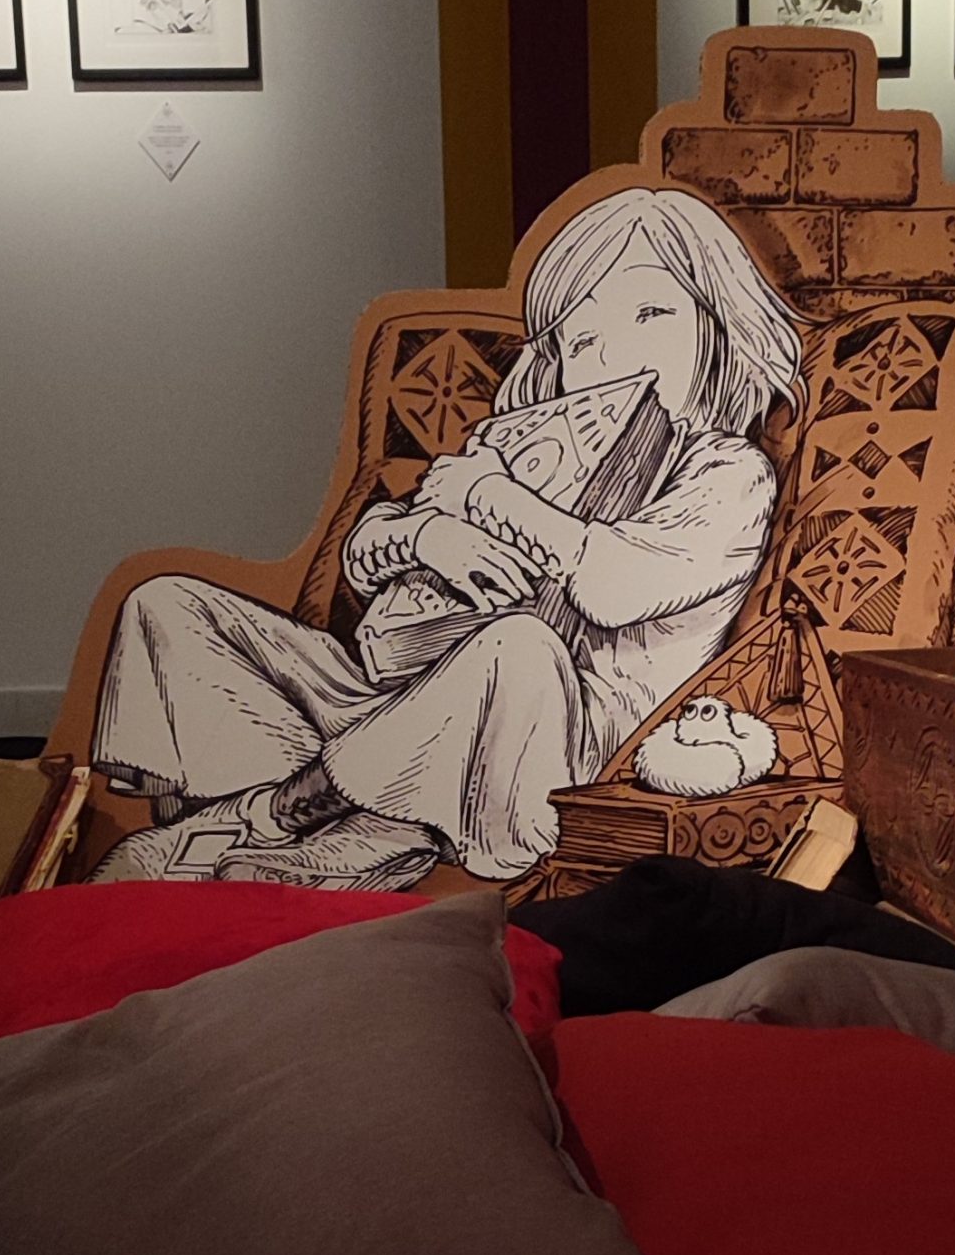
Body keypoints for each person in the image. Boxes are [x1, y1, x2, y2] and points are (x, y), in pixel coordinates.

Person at [90, 187, 805, 889]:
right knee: (169, 604)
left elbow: (611, 588)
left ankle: (283, 815)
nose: (617, 354)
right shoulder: (527, 444)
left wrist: (487, 496)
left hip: (541, 751)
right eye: (585, 340)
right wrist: (430, 538)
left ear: (719, 325)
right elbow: (366, 552)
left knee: (519, 646)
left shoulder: (728, 473)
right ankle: (329, 822)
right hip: (393, 704)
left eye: (651, 313)